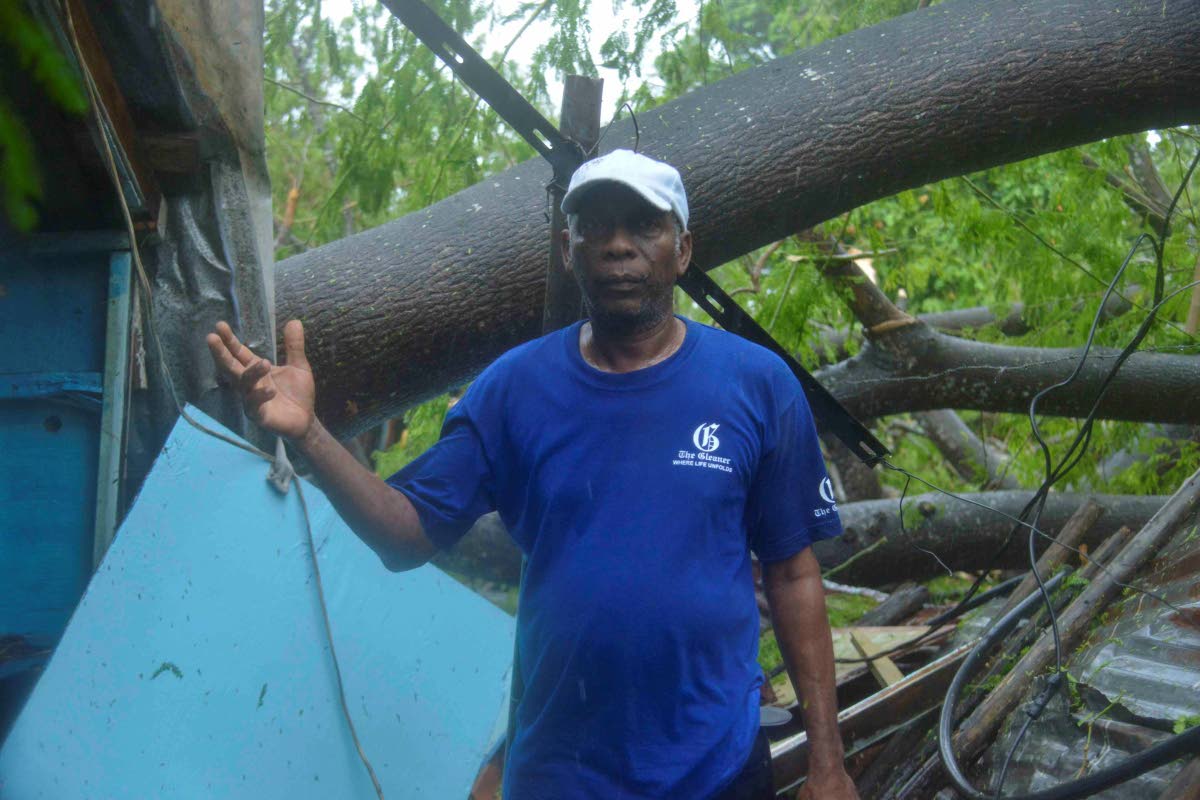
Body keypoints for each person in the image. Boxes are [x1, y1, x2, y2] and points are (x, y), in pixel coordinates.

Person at [207, 149, 859, 800]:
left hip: (715, 768)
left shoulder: (756, 384)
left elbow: (794, 573)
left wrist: (827, 765)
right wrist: (312, 436)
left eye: (644, 226)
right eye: (595, 227)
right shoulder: (512, 391)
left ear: (683, 249)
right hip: (561, 773)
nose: (618, 247)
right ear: (566, 249)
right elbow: (404, 539)